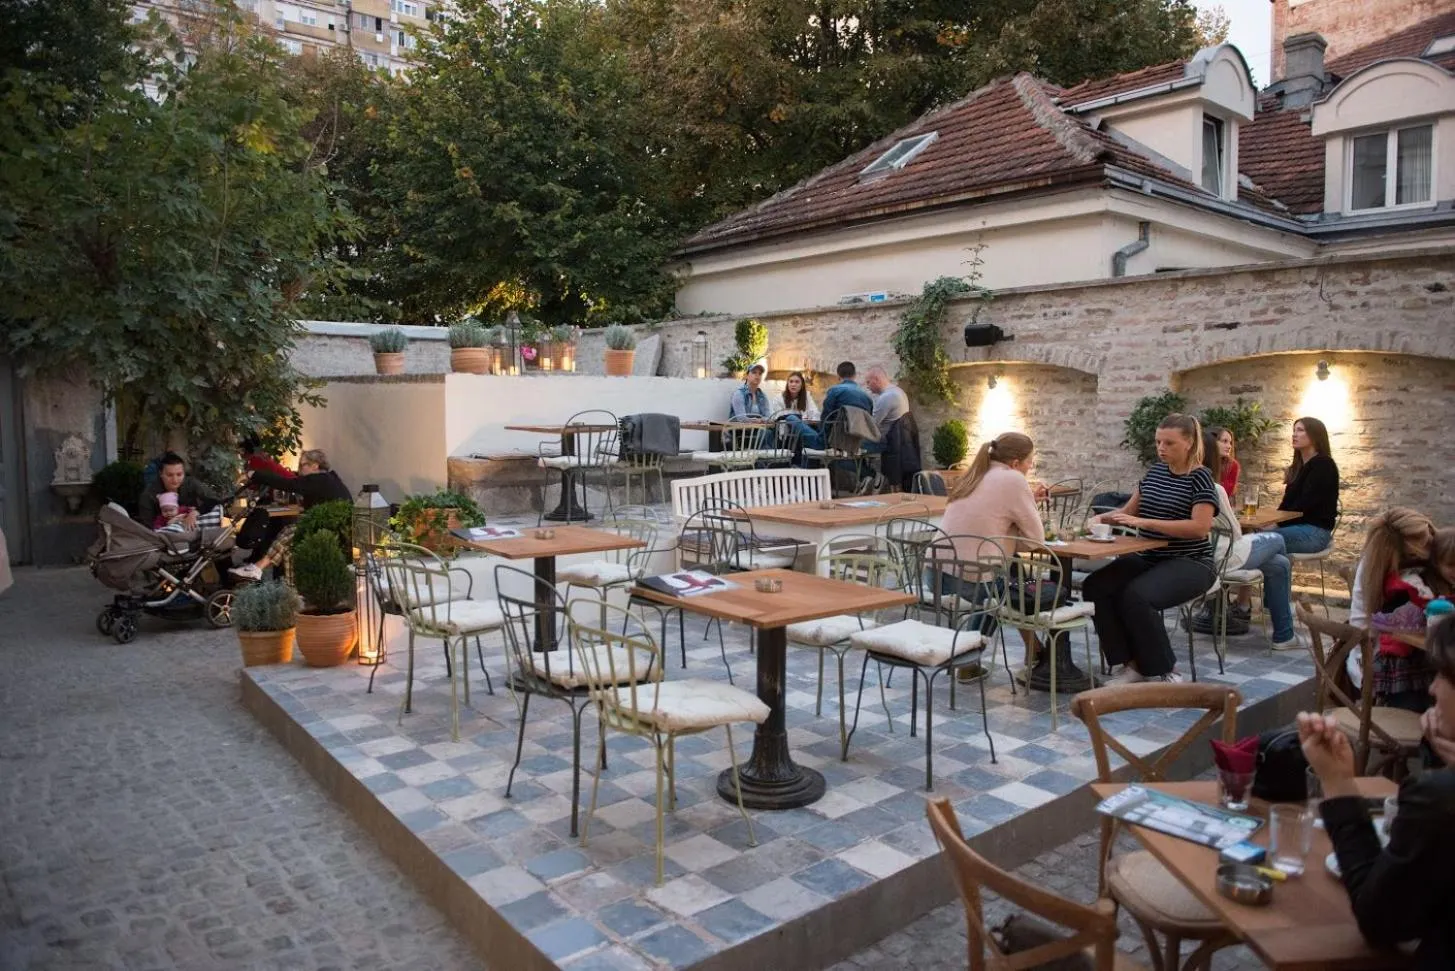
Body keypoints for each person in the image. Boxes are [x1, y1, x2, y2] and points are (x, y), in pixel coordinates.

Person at [1297, 614, 1455, 971]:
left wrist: (1338, 784)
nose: (1432, 689)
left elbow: (1380, 920)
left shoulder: (1441, 798)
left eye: (1444, 676)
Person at [1085, 414, 1218, 684]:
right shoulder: (1155, 472)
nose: (1161, 448)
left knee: (1137, 595)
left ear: (1189, 443)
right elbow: (1127, 513)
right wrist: (1102, 518)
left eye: (1169, 443)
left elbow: (1199, 528)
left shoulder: (1201, 478)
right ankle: (1131, 665)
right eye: (1158, 442)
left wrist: (1145, 522)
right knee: (1096, 586)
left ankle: (1166, 668)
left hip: (1192, 561)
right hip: (1150, 557)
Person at [938, 432, 1059, 682]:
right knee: (1005, 589)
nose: (1030, 467)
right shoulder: (1013, 479)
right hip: (972, 578)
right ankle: (970, 660)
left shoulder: (975, 473)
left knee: (1010, 579)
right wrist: (1021, 518)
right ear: (1015, 463)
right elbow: (1036, 540)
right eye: (1029, 462)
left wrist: (1018, 512)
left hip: (937, 572)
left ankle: (1033, 650)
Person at [230, 449, 352, 580]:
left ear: (315, 465)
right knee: (289, 551)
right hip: (336, 529)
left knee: (290, 531)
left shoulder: (319, 479)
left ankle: (258, 567)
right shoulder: (328, 480)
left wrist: (255, 474)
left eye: (302, 465)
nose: (299, 470)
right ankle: (291, 590)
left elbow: (288, 484)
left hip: (335, 532)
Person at [1275, 416, 1339, 554]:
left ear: (1315, 436)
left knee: (1259, 540)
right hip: (1295, 528)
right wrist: (1272, 522)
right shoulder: (1298, 468)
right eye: (1294, 430)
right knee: (1253, 535)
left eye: (1300, 430)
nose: (1294, 434)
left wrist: (1276, 524)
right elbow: (1286, 505)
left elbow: (1306, 505)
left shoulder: (1323, 464)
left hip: (1315, 532)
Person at [786, 361, 873, 451]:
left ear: (838, 376)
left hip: (831, 443)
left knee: (791, 418)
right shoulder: (867, 398)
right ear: (854, 376)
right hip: (856, 445)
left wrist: (822, 437)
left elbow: (826, 418)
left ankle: (801, 463)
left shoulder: (835, 391)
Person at [136, 452, 226, 529]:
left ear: (184, 473)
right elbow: (147, 527)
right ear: (161, 474)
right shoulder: (149, 495)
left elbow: (215, 499)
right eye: (169, 475)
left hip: (193, 527)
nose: (175, 480)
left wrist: (195, 512)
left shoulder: (191, 483)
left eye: (179, 474)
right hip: (165, 534)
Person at [864, 365, 908, 436]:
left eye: (868, 382)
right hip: (898, 438)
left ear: (876, 379)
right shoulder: (898, 390)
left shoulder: (886, 397)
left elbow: (872, 426)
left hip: (886, 441)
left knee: (857, 440)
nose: (867, 386)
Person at [1209, 425, 1239, 497]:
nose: (1229, 446)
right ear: (1212, 442)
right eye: (1225, 441)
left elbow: (1224, 494)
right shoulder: (1198, 462)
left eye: (1230, 442)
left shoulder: (1232, 465)